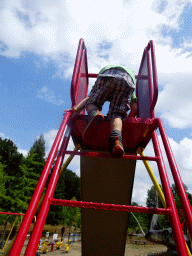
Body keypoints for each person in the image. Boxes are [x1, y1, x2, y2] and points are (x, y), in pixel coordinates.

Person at [67, 65, 138, 156]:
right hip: (128, 79)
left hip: (107, 73)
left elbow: (90, 98)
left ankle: (93, 114)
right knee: (117, 114)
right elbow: (135, 108)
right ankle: (116, 140)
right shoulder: (129, 74)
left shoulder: (108, 70)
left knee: (91, 102)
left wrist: (76, 109)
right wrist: (125, 123)